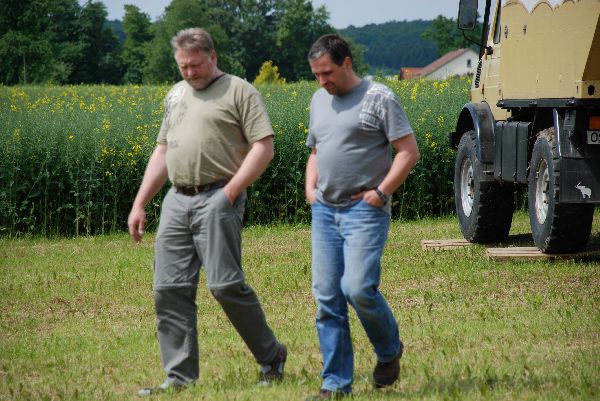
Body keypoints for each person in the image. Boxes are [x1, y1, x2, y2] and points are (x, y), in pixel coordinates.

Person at [128, 27, 286, 396]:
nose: (189, 72)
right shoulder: (176, 95)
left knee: (225, 284)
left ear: (212, 57)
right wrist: (140, 203)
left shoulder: (239, 91)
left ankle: (271, 356)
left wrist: (231, 191)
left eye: (195, 65)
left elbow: (264, 146)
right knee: (168, 289)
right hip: (176, 201)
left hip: (219, 196)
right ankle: (179, 377)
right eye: (183, 66)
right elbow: (163, 151)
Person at [304, 34, 420, 400]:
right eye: (316, 75)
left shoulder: (379, 97)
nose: (323, 81)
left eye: (328, 73)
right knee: (327, 298)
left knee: (357, 288)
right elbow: (316, 150)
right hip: (325, 211)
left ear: (348, 63)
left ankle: (389, 351)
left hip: (364, 211)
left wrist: (381, 192)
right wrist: (311, 189)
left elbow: (407, 151)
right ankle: (336, 384)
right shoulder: (318, 100)